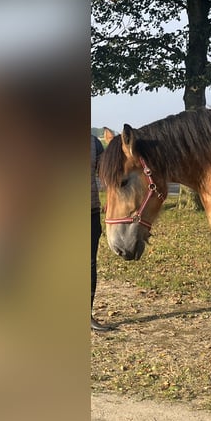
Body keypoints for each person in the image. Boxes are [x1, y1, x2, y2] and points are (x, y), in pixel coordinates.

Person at [91, 133, 114, 331]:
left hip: (90, 211)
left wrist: (111, 199)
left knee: (89, 264)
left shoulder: (93, 143)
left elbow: (106, 174)